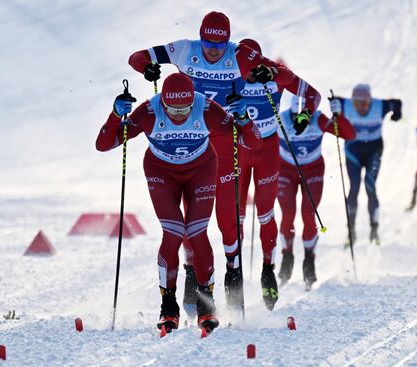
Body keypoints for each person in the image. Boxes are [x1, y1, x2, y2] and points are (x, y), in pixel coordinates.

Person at [127, 11, 296, 314]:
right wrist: (146, 67)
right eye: (208, 41)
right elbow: (138, 56)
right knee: (192, 221)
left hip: (226, 142)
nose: (214, 49)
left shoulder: (241, 55)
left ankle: (234, 271)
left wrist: (268, 73)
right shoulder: (185, 49)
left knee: (227, 221)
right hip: (194, 143)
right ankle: (193, 276)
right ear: (200, 36)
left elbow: (287, 76)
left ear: (228, 41)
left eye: (220, 43)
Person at [95, 72, 261, 332]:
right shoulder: (149, 112)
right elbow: (103, 145)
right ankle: (168, 306)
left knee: (197, 233)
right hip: (161, 172)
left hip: (201, 170)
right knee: (172, 234)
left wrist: (243, 117)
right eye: (173, 109)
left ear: (192, 102)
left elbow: (251, 141)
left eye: (185, 109)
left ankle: (206, 307)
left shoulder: (206, 108)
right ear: (163, 103)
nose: (180, 115)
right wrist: (116, 114)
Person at [235, 38, 322, 309]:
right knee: (235, 213)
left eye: (252, 65)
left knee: (266, 213)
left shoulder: (274, 76)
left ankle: (268, 270)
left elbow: (312, 94)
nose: (246, 71)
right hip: (238, 151)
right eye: (241, 66)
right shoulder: (228, 77)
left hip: (267, 153)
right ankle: (233, 273)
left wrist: (306, 115)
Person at [277, 96, 355, 289]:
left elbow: (348, 134)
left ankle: (309, 261)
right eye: (296, 115)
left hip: (312, 171)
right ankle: (287, 257)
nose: (300, 120)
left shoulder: (319, 119)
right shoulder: (281, 120)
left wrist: (338, 115)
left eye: (304, 116)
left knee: (309, 214)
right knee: (287, 215)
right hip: (286, 170)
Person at [329, 84, 402, 245]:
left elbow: (397, 103)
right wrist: (333, 107)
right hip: (353, 150)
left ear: (371, 101)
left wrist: (397, 113)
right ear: (352, 102)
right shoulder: (345, 105)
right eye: (357, 103)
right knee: (354, 187)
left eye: (365, 103)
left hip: (373, 150)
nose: (362, 107)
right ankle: (351, 231)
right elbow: (333, 100)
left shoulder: (379, 106)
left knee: (370, 186)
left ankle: (374, 229)